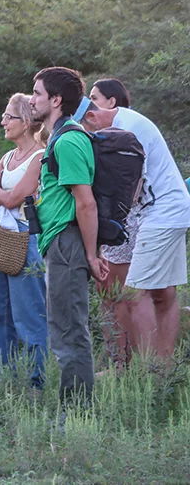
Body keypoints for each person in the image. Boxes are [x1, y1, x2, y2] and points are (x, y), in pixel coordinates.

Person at [81, 100, 190, 360]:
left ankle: (148, 373)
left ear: (92, 118)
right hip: (166, 211)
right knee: (162, 294)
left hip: (161, 212)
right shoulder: (123, 122)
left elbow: (128, 188)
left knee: (133, 294)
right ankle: (163, 371)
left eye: (86, 133)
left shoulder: (129, 130)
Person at [29, 67, 108, 409]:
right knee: (62, 328)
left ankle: (76, 414)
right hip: (60, 243)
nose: (32, 100)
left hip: (68, 243)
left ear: (56, 100)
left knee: (69, 333)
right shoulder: (58, 138)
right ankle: (74, 407)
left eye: (37, 93)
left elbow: (85, 203)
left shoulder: (71, 139)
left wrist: (90, 255)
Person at [0, 94, 48, 389]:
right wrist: (0, 196)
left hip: (26, 239)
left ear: (27, 122)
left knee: (28, 313)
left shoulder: (39, 156)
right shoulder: (6, 158)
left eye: (9, 117)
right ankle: (7, 375)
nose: (3, 122)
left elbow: (13, 198)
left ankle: (35, 381)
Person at [85, 79, 145, 366]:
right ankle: (118, 358)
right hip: (113, 224)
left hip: (124, 223)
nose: (90, 106)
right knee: (108, 292)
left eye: (95, 99)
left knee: (117, 292)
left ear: (112, 103)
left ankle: (124, 362)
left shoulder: (122, 138)